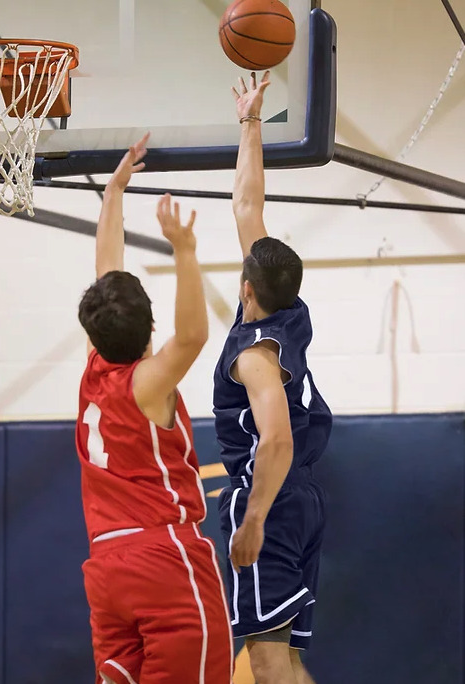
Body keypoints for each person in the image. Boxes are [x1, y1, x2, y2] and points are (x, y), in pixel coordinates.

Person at [76, 134, 234, 684]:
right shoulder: (146, 384)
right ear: (148, 328)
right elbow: (191, 336)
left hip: (105, 568)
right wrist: (184, 251)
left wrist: (113, 191)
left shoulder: (95, 367)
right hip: (162, 558)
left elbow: (106, 266)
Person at [213, 73, 333, 684]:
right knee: (282, 656)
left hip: (273, 497)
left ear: (245, 289)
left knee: (262, 658)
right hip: (303, 497)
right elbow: (247, 205)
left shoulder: (255, 353)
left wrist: (253, 518)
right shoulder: (290, 311)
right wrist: (250, 121)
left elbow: (277, 440)